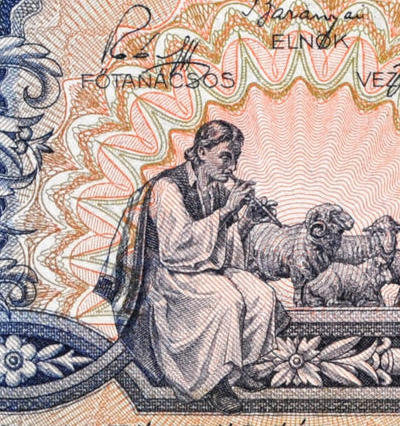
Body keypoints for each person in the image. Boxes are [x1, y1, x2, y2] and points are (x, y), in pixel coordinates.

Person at [95, 119, 283, 404]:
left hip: (203, 268)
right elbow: (178, 248)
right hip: (167, 274)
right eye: (225, 157)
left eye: (235, 158)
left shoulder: (218, 189)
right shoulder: (168, 187)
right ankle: (216, 383)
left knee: (261, 294)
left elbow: (224, 247)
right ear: (202, 151)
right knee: (227, 299)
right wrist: (227, 211)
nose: (232, 167)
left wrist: (245, 221)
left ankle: (240, 367)